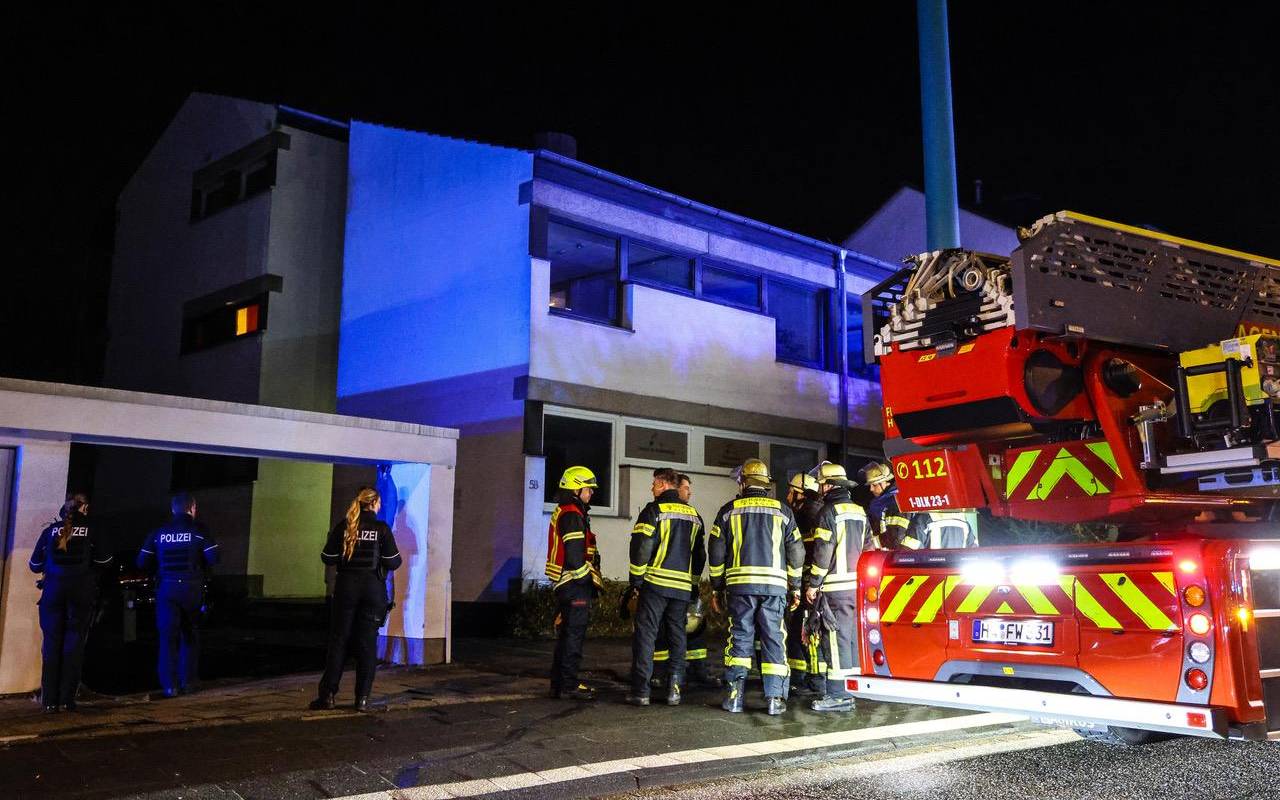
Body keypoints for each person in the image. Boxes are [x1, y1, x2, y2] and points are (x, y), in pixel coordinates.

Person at [708, 458, 804, 715]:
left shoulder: (728, 511)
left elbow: (716, 552)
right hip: (774, 588)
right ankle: (774, 700)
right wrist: (795, 586)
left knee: (740, 636)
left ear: (743, 482)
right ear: (765, 484)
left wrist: (716, 587)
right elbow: (796, 551)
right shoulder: (783, 511)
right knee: (774, 637)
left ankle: (735, 697)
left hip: (740, 587)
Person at [312, 487, 401, 711]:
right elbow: (394, 562)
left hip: (346, 590)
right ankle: (362, 699)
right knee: (367, 645)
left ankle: (328, 696)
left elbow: (327, 557)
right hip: (372, 592)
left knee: (339, 641)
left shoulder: (345, 526)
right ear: (375, 503)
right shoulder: (381, 529)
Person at [624, 468, 705, 706]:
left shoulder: (653, 511)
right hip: (681, 588)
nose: (652, 488)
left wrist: (636, 582)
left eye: (654, 484)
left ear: (662, 484)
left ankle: (641, 691)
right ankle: (675, 691)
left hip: (655, 584)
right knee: (678, 636)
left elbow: (641, 549)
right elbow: (700, 555)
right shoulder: (694, 515)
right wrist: (694, 585)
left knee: (646, 636)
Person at [28, 493, 112, 712]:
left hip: (53, 593)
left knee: (51, 644)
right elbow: (105, 561)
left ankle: (49, 701)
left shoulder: (50, 531)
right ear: (84, 509)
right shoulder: (92, 531)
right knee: (73, 646)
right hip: (81, 594)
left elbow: (34, 564)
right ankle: (67, 700)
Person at [138, 492, 218, 698]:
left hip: (166, 588)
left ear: (173, 510)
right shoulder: (199, 531)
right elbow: (214, 557)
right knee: (190, 635)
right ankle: (188, 683)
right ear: (192, 508)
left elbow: (142, 562)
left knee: (167, 639)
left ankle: (169, 686)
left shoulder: (159, 533)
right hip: (191, 588)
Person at [805, 462, 871, 712]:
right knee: (852, 638)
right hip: (857, 588)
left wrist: (813, 584)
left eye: (822, 484)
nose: (820, 489)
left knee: (834, 639)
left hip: (835, 589)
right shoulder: (860, 511)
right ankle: (852, 688)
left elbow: (823, 553)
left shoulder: (828, 513)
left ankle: (838, 694)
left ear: (830, 485)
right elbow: (869, 550)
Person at [652, 473, 716, 688]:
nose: (690, 492)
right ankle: (665, 675)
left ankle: (693, 670)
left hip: (668, 583)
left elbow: (699, 553)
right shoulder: (689, 515)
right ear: (676, 489)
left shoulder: (681, 514)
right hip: (679, 584)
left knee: (694, 627)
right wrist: (694, 582)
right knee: (671, 629)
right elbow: (699, 554)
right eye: (687, 487)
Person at [546, 466, 602, 701]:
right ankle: (568, 685)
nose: (590, 493)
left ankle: (559, 685)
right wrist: (587, 580)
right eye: (588, 489)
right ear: (576, 489)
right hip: (574, 584)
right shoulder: (571, 514)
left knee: (567, 635)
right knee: (573, 636)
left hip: (566, 584)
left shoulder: (569, 511)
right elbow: (574, 556)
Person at [784, 473, 826, 696]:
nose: (788, 495)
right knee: (802, 629)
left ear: (800, 494)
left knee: (805, 630)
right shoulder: (817, 512)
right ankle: (804, 676)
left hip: (807, 583)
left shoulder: (804, 515)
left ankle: (815, 680)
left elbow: (804, 554)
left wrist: (799, 584)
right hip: (814, 582)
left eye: (791, 491)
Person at [863, 462, 932, 550]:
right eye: (870, 485)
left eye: (875, 484)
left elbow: (896, 537)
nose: (871, 489)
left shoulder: (896, 503)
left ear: (887, 482)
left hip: (895, 555)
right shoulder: (879, 504)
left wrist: (871, 543)